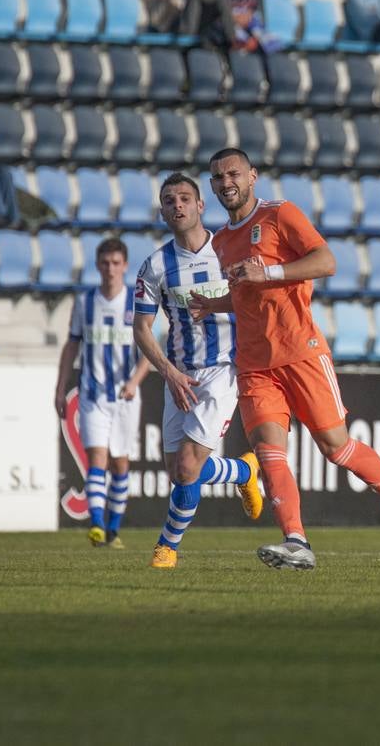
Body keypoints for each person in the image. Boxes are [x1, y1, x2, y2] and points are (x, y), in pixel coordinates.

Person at [188, 148, 380, 570]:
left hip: (301, 352)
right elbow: (247, 299)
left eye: (234, 173)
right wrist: (214, 303)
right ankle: (296, 540)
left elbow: (326, 262)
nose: (227, 183)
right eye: (218, 177)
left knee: (336, 447)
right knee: (268, 448)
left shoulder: (280, 215)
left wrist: (270, 272)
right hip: (256, 364)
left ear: (252, 176)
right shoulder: (220, 241)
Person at [132, 174, 263, 570]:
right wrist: (168, 372)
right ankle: (243, 470)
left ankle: (166, 548)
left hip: (222, 370)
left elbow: (255, 306)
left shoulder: (228, 253)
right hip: (180, 375)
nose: (178, 205)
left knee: (188, 466)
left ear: (201, 206)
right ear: (162, 211)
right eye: (170, 200)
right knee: (177, 471)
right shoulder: (155, 266)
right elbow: (141, 328)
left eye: (186, 198)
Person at [55, 238, 152, 549]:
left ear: (124, 266)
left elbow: (149, 351)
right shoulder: (84, 302)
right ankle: (96, 524)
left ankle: (112, 528)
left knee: (120, 462)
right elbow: (72, 345)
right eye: (105, 263)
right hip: (93, 393)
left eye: (116, 263)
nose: (110, 269)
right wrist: (61, 388)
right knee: (97, 457)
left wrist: (135, 381)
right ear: (97, 266)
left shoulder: (135, 304)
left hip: (125, 396)